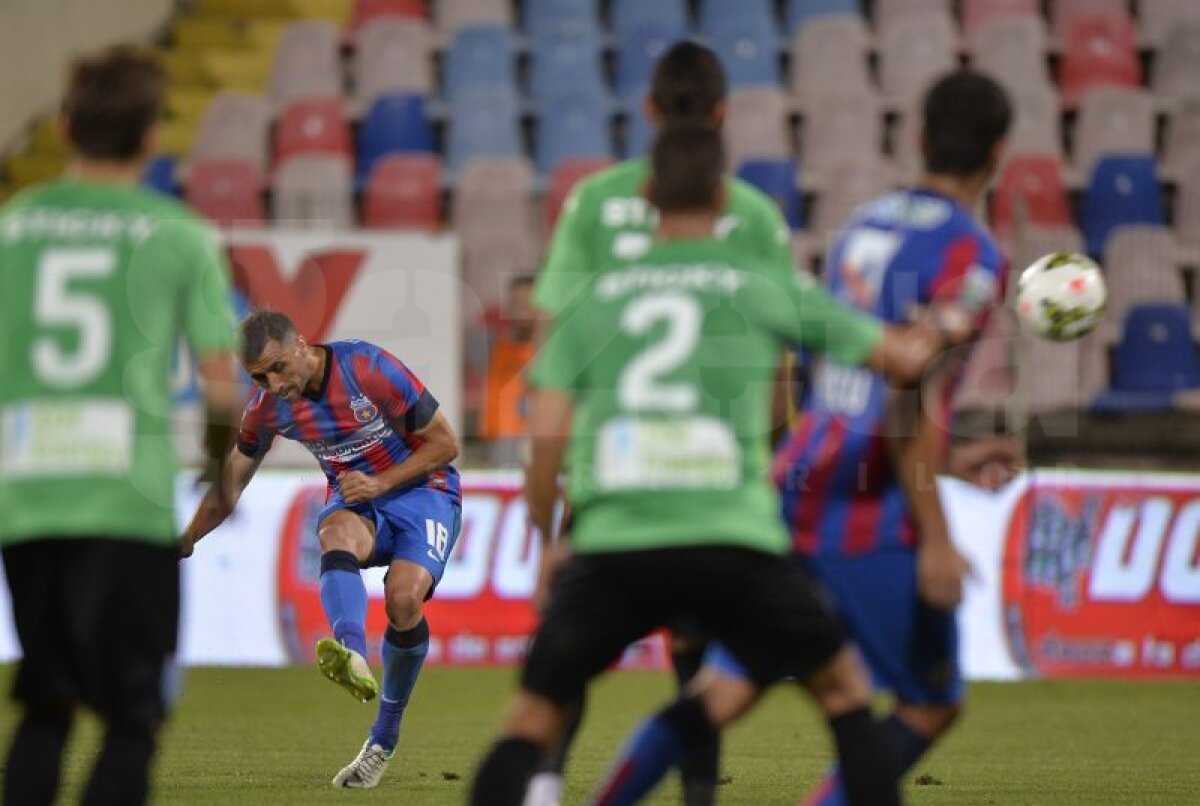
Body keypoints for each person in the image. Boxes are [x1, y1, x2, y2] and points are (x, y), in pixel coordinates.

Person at [463, 120, 989, 806]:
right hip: (733, 538)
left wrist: (551, 539)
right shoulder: (757, 280)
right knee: (844, 693)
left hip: (616, 539)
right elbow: (902, 363)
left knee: (531, 720)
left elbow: (549, 435)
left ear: (647, 196)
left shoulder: (595, 294)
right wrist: (956, 315)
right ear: (722, 200)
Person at [611, 69, 1013, 805]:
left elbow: (844, 385)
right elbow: (904, 390)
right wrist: (934, 536)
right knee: (930, 702)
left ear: (918, 137)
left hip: (794, 487)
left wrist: (950, 458)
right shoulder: (974, 257)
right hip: (867, 516)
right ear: (999, 154)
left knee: (727, 688)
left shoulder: (865, 224)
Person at [0, 46, 241, 806]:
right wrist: (215, 464)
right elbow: (223, 391)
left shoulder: (11, 228)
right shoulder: (177, 235)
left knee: (46, 705)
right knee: (134, 719)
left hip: (27, 497)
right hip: (125, 500)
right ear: (151, 137)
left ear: (66, 126)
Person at [180, 311, 462, 789]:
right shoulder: (267, 409)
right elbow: (231, 484)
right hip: (355, 497)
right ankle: (351, 652)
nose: (273, 383)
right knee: (333, 534)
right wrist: (185, 540)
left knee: (404, 600)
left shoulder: (368, 368)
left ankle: (383, 739)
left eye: (277, 367)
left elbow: (446, 443)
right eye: (258, 377)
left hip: (423, 489)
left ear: (302, 345)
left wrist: (381, 482)